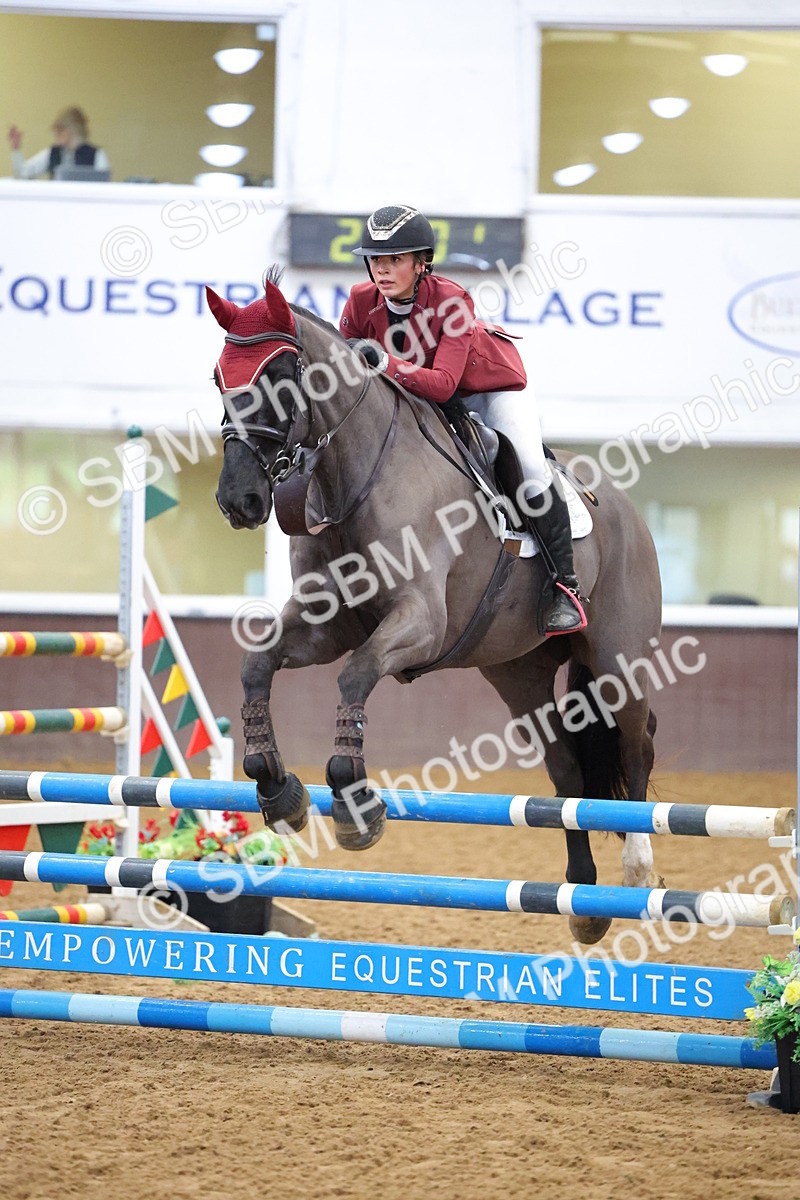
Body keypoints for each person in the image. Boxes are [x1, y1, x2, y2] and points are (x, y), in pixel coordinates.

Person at [339, 204, 586, 637]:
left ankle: (565, 586)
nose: (382, 270)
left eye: (395, 260)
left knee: (527, 465)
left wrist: (383, 360)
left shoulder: (452, 299)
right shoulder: (361, 301)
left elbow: (443, 385)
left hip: (489, 391)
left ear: (421, 264)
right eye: (376, 259)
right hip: (422, 396)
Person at [7, 107, 110, 180]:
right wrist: (16, 150)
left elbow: (104, 185)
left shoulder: (96, 154)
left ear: (74, 129)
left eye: (61, 130)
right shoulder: (52, 152)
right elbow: (23, 174)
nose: (56, 134)